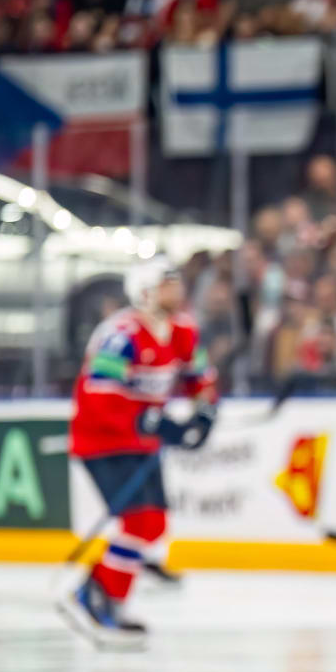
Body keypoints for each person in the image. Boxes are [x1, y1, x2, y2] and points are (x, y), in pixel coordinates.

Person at [59, 257, 216, 650]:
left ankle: (104, 597)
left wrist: (205, 414)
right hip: (102, 441)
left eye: (177, 284)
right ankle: (97, 597)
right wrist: (153, 422)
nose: (176, 292)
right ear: (145, 290)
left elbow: (201, 379)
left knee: (152, 525)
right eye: (167, 285)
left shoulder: (182, 331)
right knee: (138, 522)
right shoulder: (120, 334)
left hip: (140, 442)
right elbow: (101, 395)